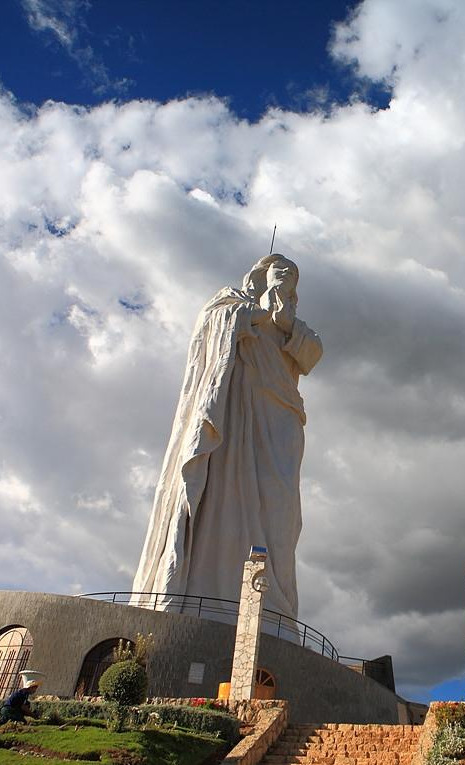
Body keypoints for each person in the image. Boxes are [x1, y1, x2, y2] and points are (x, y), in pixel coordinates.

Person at [131, 254, 323, 620]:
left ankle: (272, 612)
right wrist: (256, 314)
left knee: (279, 514)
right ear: (259, 276)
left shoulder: (294, 327)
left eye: (291, 279)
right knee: (223, 497)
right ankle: (209, 597)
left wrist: (283, 320)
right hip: (233, 417)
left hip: (280, 421)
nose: (285, 281)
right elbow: (211, 326)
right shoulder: (230, 304)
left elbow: (312, 354)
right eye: (279, 274)